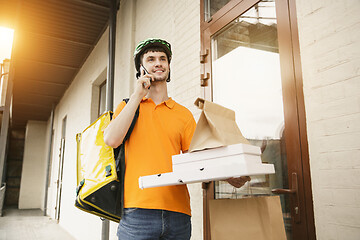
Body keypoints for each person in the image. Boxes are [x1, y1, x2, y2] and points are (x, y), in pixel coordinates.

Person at [104, 38, 250, 240]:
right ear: (141, 67)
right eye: (151, 59)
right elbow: (111, 140)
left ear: (169, 67)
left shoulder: (182, 114)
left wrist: (229, 174)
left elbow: (198, 160)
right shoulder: (128, 106)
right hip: (137, 212)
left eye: (163, 59)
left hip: (178, 214)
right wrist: (138, 95)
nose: (158, 63)